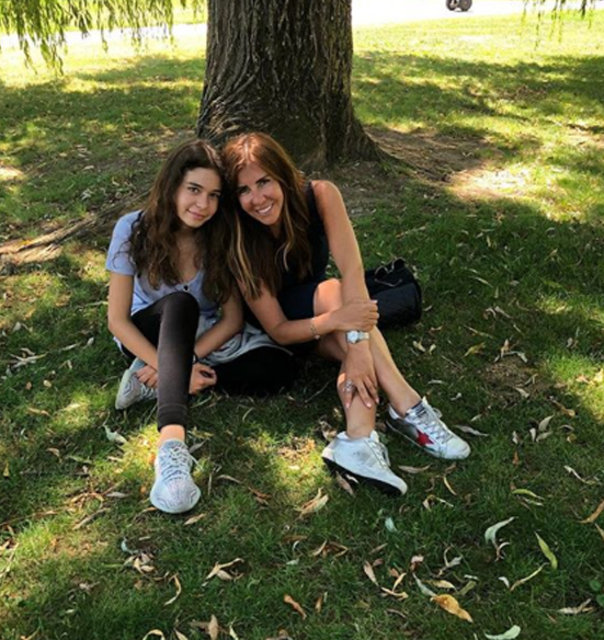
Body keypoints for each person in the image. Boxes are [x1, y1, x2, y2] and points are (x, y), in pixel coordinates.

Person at [221, 132, 470, 496]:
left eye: (264, 182)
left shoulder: (320, 195)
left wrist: (355, 345)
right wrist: (342, 326)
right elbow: (278, 328)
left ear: (283, 176)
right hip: (282, 333)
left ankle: (358, 439)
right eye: (244, 190)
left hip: (328, 314)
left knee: (346, 320)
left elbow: (353, 271)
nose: (257, 198)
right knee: (335, 295)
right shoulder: (238, 237)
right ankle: (407, 407)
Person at [106, 139, 295, 514]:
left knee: (280, 368)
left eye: (213, 195)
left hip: (199, 338)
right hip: (147, 331)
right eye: (193, 190)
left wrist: (186, 363)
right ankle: (171, 448)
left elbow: (233, 319)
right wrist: (167, 364)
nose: (203, 205)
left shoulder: (217, 237)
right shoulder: (133, 229)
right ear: (172, 186)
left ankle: (156, 384)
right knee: (181, 304)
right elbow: (117, 320)